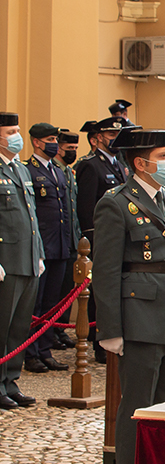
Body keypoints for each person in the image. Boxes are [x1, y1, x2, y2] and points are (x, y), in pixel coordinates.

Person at [90, 129, 165, 464]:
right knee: (137, 409)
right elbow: (107, 270)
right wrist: (110, 329)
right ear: (140, 164)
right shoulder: (115, 204)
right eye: (164, 154)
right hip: (140, 316)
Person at [0, 112, 45, 411]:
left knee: (19, 326)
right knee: (2, 326)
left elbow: (31, 217)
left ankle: (11, 381)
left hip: (27, 257)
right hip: (6, 260)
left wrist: (38, 252)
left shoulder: (21, 169)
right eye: (11, 131)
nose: (16, 136)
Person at [75, 117, 129, 362]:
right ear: (96, 138)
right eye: (110, 134)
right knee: (100, 292)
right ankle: (99, 344)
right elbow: (86, 209)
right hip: (99, 239)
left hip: (119, 237)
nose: (114, 139)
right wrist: (91, 240)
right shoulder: (90, 165)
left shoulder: (118, 164)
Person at [23, 123, 72, 372]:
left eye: (55, 138)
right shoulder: (27, 170)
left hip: (61, 245)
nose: (54, 143)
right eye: (50, 139)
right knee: (36, 304)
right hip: (42, 245)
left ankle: (45, 349)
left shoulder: (58, 171)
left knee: (53, 302)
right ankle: (30, 352)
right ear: (37, 142)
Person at [54, 129, 82, 351]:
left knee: (66, 289)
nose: (72, 152)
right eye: (68, 149)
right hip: (54, 242)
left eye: (75, 149)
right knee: (50, 294)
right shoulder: (54, 171)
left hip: (71, 240)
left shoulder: (69, 172)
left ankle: (59, 329)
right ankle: (49, 332)